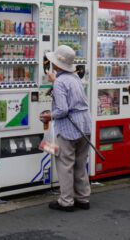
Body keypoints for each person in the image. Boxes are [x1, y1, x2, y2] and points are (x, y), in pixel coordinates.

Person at [40, 45, 92, 212]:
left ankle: (66, 201)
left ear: (56, 64)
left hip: (68, 129)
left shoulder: (60, 82)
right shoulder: (75, 78)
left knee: (65, 165)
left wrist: (49, 116)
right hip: (84, 126)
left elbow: (62, 109)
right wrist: (55, 82)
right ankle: (83, 199)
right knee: (80, 164)